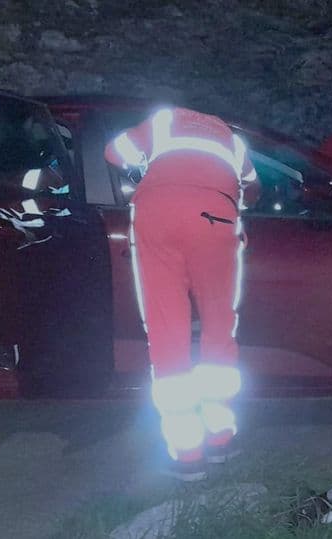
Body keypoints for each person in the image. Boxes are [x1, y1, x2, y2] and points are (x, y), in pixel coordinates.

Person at [104, 106, 258, 481]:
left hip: (156, 211)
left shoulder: (162, 119)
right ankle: (221, 440)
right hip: (216, 217)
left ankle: (188, 457)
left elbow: (114, 152)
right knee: (220, 327)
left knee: (166, 332)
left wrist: (146, 172)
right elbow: (252, 190)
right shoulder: (233, 141)